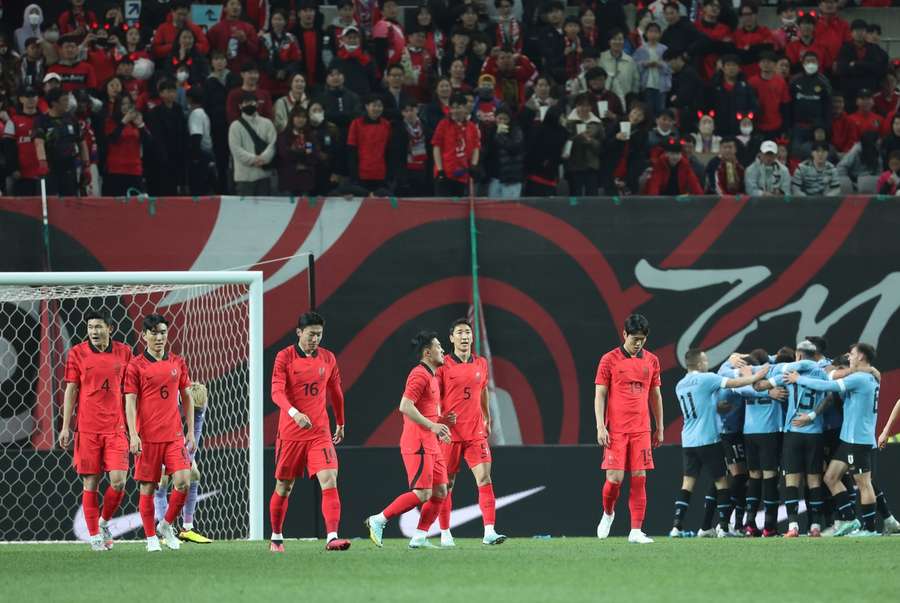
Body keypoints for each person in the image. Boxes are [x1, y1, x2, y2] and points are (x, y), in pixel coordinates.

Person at [267, 312, 349, 552]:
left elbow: (336, 392)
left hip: (319, 433)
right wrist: (294, 413)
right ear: (299, 332)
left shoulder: (328, 358)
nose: (315, 339)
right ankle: (276, 538)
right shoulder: (284, 357)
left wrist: (341, 422)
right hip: (291, 433)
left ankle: (332, 537)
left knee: (330, 478)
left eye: (319, 335)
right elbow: (276, 393)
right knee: (284, 486)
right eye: (311, 334)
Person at [366, 331, 452, 549]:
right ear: (427, 352)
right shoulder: (419, 374)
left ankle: (420, 537)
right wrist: (433, 426)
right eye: (439, 346)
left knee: (441, 490)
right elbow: (405, 405)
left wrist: (440, 424)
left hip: (431, 442)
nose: (443, 350)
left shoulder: (432, 376)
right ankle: (379, 519)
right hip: (418, 443)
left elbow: (425, 412)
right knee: (423, 493)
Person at [670, 350, 769, 538]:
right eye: (705, 360)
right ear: (699, 364)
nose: (707, 363)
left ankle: (677, 527)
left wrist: (716, 407)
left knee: (687, 483)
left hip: (688, 441)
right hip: (708, 439)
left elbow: (700, 405)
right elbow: (734, 383)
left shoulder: (679, 384)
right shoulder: (707, 378)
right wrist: (757, 376)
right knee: (721, 482)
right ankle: (723, 528)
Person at [784, 343, 880, 536]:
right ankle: (850, 519)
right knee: (830, 477)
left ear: (861, 356)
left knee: (864, 483)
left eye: (852, 354)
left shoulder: (861, 378)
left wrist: (798, 379)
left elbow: (828, 385)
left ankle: (870, 528)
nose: (849, 356)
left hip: (858, 439)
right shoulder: (869, 376)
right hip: (848, 438)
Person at [58, 310, 132, 551]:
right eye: (90, 327)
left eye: (99, 327)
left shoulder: (124, 352)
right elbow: (71, 390)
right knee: (90, 483)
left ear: (110, 329)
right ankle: (94, 536)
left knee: (119, 481)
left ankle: (103, 522)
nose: (94, 332)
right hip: (88, 430)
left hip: (116, 428)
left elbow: (132, 393)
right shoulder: (77, 353)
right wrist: (66, 426)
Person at [429, 319, 506, 547]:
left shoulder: (481, 363)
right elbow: (433, 397)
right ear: (451, 338)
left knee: (484, 478)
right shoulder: (442, 365)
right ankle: (445, 533)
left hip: (475, 432)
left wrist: (487, 417)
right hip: (449, 434)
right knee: (447, 484)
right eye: (460, 333)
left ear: (472, 338)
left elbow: (483, 391)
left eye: (468, 333)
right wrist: (438, 420)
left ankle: (489, 531)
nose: (465, 337)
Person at [124, 314, 196, 552]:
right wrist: (134, 435)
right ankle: (150, 538)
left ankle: (165, 525)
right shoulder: (136, 365)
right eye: (154, 333)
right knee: (148, 487)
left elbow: (187, 396)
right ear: (144, 336)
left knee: (184, 481)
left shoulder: (178, 362)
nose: (159, 337)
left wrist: (191, 432)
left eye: (163, 332)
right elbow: (130, 401)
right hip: (148, 438)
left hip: (174, 435)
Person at [595, 314, 663, 544]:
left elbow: (655, 394)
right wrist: (600, 426)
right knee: (614, 479)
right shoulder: (609, 360)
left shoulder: (652, 361)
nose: (638, 343)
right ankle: (608, 513)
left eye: (642, 339)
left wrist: (659, 426)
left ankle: (635, 531)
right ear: (624, 335)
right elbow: (600, 394)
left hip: (641, 429)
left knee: (639, 477)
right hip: (616, 429)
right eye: (634, 339)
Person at [153, 382, 211, 544]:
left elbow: (197, 430)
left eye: (199, 409)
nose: (196, 411)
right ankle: (163, 531)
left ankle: (187, 528)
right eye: (194, 408)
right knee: (162, 480)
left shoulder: (200, 404)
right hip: (157, 437)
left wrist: (187, 459)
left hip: (177, 441)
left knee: (193, 474)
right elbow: (162, 427)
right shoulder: (170, 404)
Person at [34, 88, 89, 197]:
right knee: (50, 200)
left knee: (70, 200)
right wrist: (42, 162)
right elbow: (39, 142)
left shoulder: (73, 120)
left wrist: (86, 166)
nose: (67, 103)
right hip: (50, 167)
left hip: (69, 167)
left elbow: (82, 143)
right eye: (64, 100)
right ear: (54, 103)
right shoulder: (42, 121)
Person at [228, 91, 277, 196]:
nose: (250, 105)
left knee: (264, 210)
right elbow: (236, 149)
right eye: (246, 102)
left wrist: (263, 158)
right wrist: (255, 159)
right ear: (240, 106)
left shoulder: (267, 123)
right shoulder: (235, 126)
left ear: (257, 104)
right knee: (245, 211)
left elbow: (272, 144)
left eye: (252, 102)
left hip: (264, 176)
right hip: (244, 177)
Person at [432, 93, 481, 197]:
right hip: (445, 173)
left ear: (465, 108)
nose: (455, 111)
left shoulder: (471, 127)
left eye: (458, 107)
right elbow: (436, 147)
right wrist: (440, 170)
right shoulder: (443, 124)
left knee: (458, 208)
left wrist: (474, 165)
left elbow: (476, 147)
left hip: (462, 174)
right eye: (452, 108)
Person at [146, 79, 188, 196]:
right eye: (168, 91)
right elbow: (156, 136)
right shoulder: (155, 112)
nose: (172, 94)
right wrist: (162, 154)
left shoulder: (178, 109)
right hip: (162, 155)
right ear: (161, 94)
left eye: (174, 91)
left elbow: (183, 131)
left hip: (177, 153)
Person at [103, 94, 150, 196]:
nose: (126, 107)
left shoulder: (135, 123)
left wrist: (141, 125)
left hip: (135, 168)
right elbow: (113, 139)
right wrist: (123, 122)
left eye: (129, 104)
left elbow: (148, 142)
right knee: (119, 203)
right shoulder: (111, 122)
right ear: (117, 106)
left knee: (140, 200)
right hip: (117, 169)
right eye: (123, 104)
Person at [347, 94, 393, 194]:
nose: (377, 108)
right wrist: (354, 174)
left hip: (381, 173)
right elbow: (351, 150)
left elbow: (388, 151)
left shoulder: (386, 125)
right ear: (367, 106)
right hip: (361, 173)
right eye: (374, 105)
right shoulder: (356, 123)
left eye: (380, 106)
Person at [4, 86, 44, 195]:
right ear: (21, 99)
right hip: (22, 174)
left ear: (38, 98)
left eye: (34, 96)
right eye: (27, 96)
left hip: (44, 173)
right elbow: (8, 148)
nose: (31, 99)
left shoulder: (46, 119)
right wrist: (13, 168)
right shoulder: (13, 121)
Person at [207, 0, 259, 74]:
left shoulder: (249, 28)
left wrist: (245, 41)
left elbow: (255, 51)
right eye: (232, 4)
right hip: (222, 71)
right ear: (225, 8)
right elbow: (209, 51)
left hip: (243, 73)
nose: (235, 7)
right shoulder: (215, 29)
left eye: (238, 5)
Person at [277, 106, 318, 196]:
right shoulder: (284, 136)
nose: (301, 119)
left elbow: (313, 156)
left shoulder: (310, 136)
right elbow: (285, 155)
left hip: (306, 181)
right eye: (298, 117)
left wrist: (295, 152)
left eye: (304, 117)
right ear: (292, 118)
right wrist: (303, 153)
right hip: (288, 181)